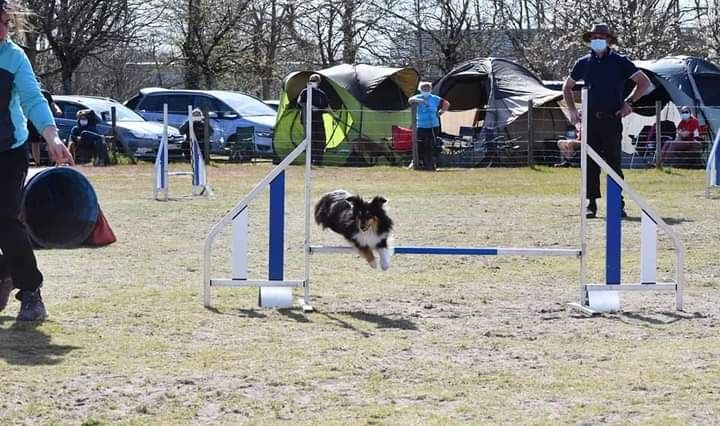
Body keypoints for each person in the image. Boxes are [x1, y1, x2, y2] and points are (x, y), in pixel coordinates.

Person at [0, 0, 74, 321]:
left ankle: (31, 293)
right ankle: (4, 269)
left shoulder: (13, 57)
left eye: (5, 22)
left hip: (8, 151)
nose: (3, 30)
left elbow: (32, 98)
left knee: (5, 219)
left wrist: (52, 136)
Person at [563, 23, 651, 218]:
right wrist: (572, 111)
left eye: (601, 37)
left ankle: (617, 203)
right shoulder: (583, 62)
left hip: (612, 119)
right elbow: (567, 87)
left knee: (613, 162)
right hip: (590, 120)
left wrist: (630, 103)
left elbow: (644, 82)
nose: (597, 41)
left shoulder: (621, 62)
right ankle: (591, 203)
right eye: (594, 37)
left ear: (609, 40)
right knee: (589, 162)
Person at [408, 81, 450, 171]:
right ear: (420, 89)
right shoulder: (417, 97)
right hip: (421, 126)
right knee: (419, 144)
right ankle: (416, 162)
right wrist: (420, 101)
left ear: (431, 89)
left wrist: (441, 111)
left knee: (431, 145)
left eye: (428, 88)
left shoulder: (435, 98)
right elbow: (410, 100)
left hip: (433, 126)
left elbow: (446, 104)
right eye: (424, 88)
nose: (426, 90)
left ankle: (432, 163)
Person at [296, 73, 331, 166]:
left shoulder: (321, 94)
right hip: (307, 120)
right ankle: (310, 160)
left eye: (315, 81)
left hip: (318, 119)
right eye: (312, 81)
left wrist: (322, 109)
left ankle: (318, 161)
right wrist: (308, 106)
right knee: (310, 140)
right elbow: (299, 104)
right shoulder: (304, 92)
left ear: (319, 82)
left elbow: (326, 106)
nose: (313, 83)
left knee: (321, 140)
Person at [28, 88, 62, 164]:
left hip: (46, 120)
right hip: (32, 121)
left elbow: (52, 104)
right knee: (35, 142)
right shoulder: (28, 92)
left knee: (50, 140)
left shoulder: (45, 93)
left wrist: (57, 110)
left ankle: (52, 161)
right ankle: (37, 162)